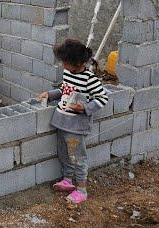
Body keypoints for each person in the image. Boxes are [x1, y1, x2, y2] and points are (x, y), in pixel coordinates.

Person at [36, 39, 109, 204]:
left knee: (78, 157)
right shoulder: (68, 73)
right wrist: (50, 94)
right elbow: (64, 89)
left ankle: (82, 189)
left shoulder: (90, 79)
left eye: (65, 62)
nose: (62, 65)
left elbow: (103, 98)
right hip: (61, 121)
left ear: (76, 63)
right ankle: (67, 180)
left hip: (76, 127)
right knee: (64, 154)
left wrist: (84, 108)